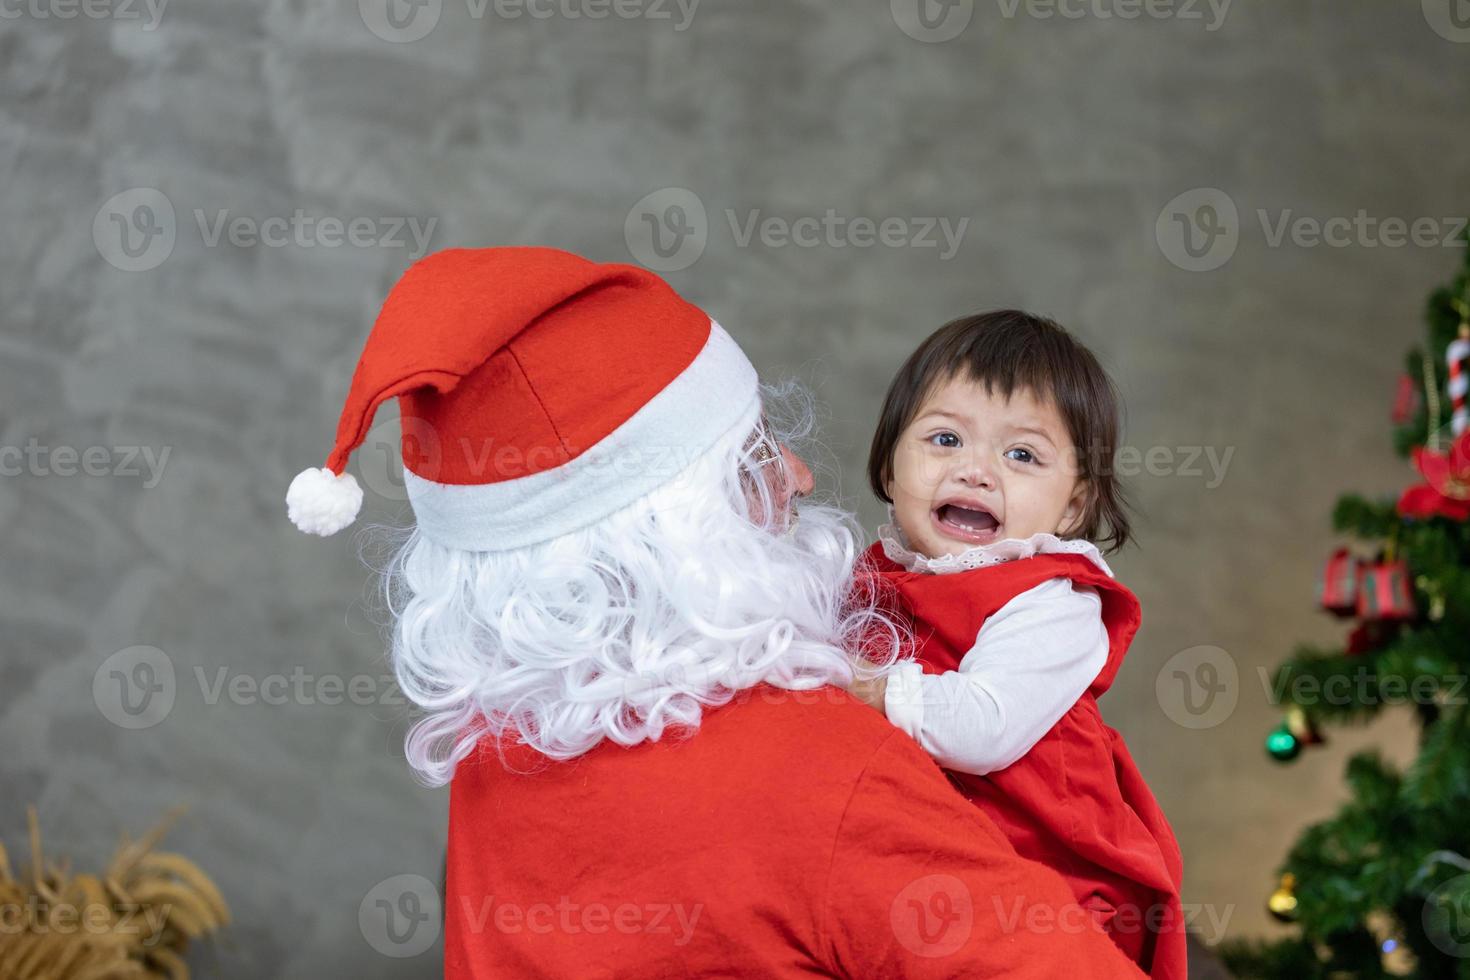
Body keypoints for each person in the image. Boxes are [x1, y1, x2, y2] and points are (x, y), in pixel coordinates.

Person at [285, 247, 1150, 978]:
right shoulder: (830, 774)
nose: (803, 478)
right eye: (758, 454)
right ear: (675, 526)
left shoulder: (497, 752)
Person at [845, 311, 1186, 979]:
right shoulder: (868, 577)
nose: (975, 471)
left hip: (1051, 873)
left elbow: (980, 729)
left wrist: (861, 684)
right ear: (889, 465)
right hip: (933, 861)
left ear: (1072, 506)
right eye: (944, 439)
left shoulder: (1052, 600)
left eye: (1022, 455)